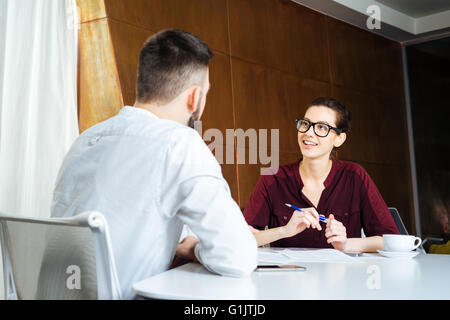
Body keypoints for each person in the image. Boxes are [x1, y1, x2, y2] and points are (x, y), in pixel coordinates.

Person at [51, 29, 257, 299]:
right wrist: (194, 249)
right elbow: (238, 257)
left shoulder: (84, 139)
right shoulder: (180, 144)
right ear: (194, 97)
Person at [244, 97, 399, 252]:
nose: (309, 133)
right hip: (290, 275)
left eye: (321, 127)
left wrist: (346, 244)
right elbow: (240, 238)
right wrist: (285, 230)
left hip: (344, 275)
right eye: (305, 124)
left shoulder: (354, 176)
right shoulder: (273, 178)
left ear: (339, 138)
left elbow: (390, 240)